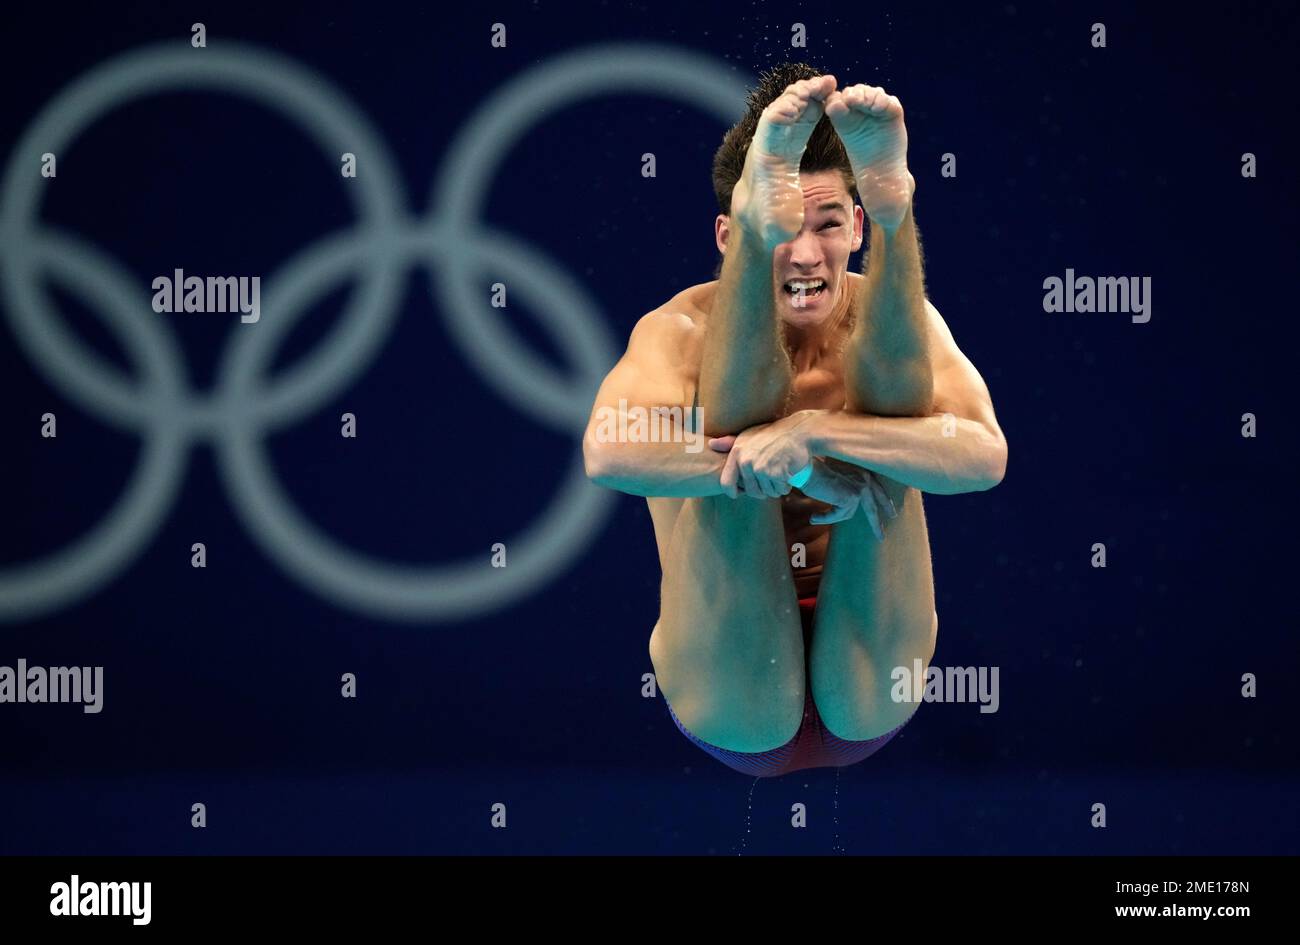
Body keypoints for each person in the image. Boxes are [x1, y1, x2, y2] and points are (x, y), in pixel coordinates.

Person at [583, 62, 1007, 777]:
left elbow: (982, 456)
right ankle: (767, 239)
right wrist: (783, 463)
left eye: (830, 223)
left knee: (890, 437)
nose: (807, 254)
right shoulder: (680, 329)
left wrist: (815, 435)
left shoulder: (898, 325)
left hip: (873, 668)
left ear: (858, 225)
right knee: (739, 475)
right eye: (781, 229)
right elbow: (608, 451)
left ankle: (904, 217)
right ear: (728, 235)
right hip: (732, 687)